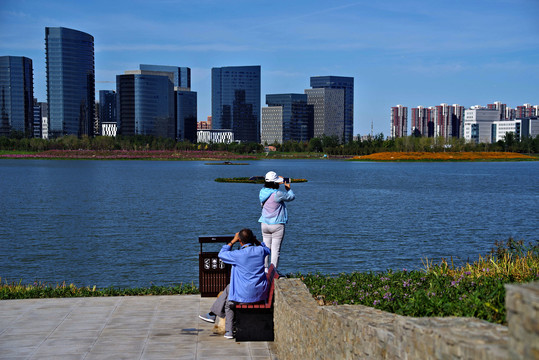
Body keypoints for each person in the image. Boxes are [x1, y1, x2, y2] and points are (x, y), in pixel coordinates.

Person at [198, 228, 270, 339]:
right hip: (260, 293)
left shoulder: (237, 255)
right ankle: (212, 314)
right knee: (229, 288)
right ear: (252, 239)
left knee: (228, 303)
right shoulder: (260, 251)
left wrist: (232, 241)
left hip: (244, 296)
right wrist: (256, 241)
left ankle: (229, 331)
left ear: (240, 241)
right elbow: (267, 249)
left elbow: (221, 254)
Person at [258, 171, 295, 270]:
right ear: (275, 183)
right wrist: (288, 188)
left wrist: (280, 180)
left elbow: (270, 186)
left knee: (266, 248)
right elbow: (291, 197)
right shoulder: (277, 194)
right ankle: (272, 271)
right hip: (277, 225)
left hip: (264, 224)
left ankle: (264, 270)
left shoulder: (262, 192)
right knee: (275, 250)